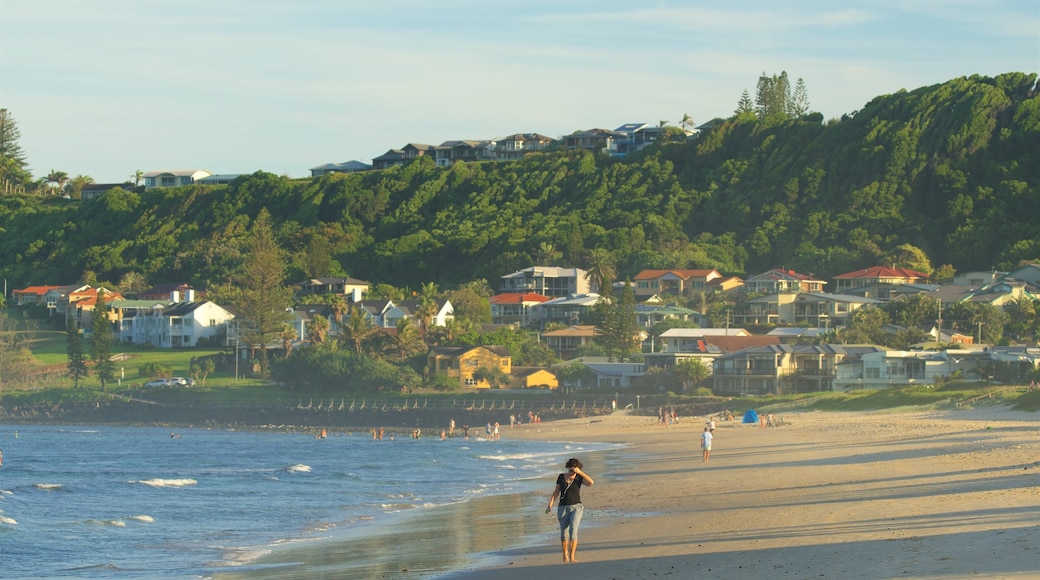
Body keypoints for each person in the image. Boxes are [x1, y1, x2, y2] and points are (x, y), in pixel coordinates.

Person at [546, 458, 595, 563]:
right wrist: (550, 504)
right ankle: (565, 555)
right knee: (564, 534)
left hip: (576, 507)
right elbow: (556, 492)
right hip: (563, 508)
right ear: (567, 467)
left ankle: (572, 556)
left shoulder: (579, 478)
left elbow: (591, 482)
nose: (571, 472)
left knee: (573, 531)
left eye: (574, 470)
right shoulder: (561, 477)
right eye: (570, 469)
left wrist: (580, 472)